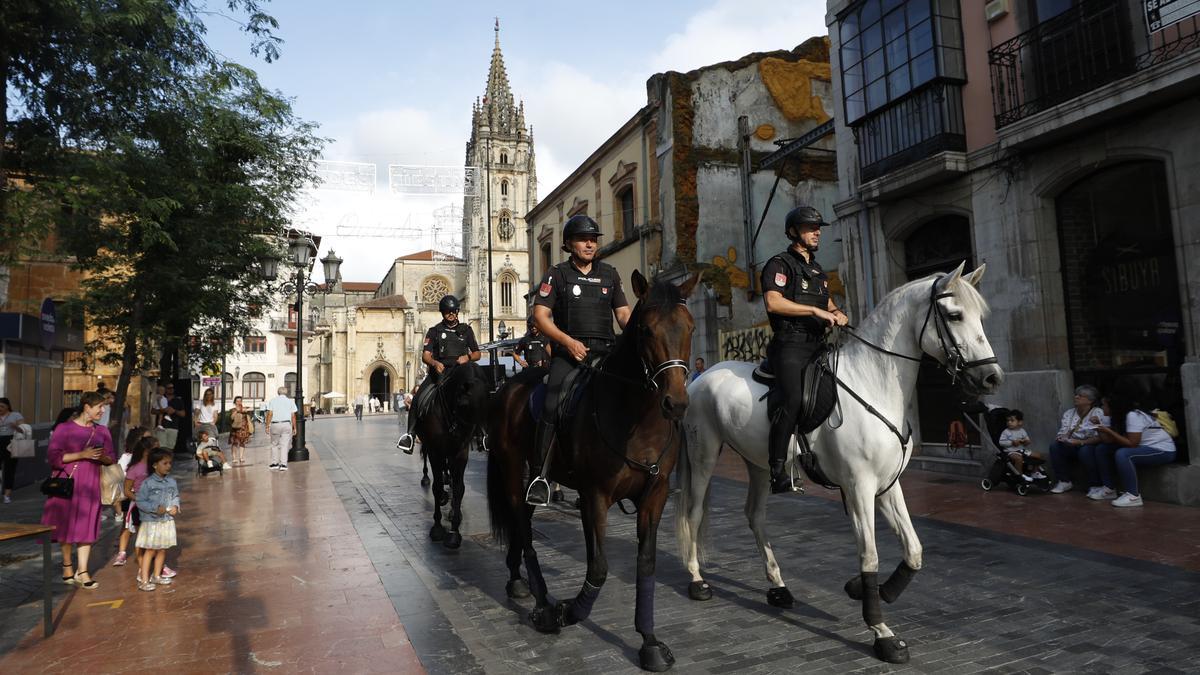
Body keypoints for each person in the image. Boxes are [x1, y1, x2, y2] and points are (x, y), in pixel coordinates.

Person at [525, 215, 632, 506]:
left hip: (605, 353)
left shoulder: (610, 273)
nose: (590, 243)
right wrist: (568, 342)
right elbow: (541, 316)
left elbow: (623, 315)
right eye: (584, 239)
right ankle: (539, 475)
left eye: (594, 239)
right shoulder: (556, 274)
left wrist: (640, 331)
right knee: (551, 402)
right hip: (570, 355)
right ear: (570, 244)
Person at [760, 205, 848, 494]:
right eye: (811, 228)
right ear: (794, 232)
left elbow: (829, 304)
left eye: (818, 228)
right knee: (794, 397)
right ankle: (777, 469)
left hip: (818, 345)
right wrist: (813, 310)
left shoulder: (818, 271)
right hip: (790, 344)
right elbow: (773, 302)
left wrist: (839, 314)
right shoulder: (779, 264)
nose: (817, 232)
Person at [40, 391, 116, 590]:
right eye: (99, 406)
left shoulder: (102, 432)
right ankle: (67, 565)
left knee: (87, 524)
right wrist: (82, 454)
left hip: (90, 484)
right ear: (86, 407)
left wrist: (99, 457)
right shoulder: (64, 429)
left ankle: (82, 571)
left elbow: (111, 459)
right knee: (64, 525)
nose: (103, 410)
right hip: (67, 482)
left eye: (104, 406)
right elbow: (54, 457)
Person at [396, 295, 482, 454]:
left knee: (478, 393)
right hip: (440, 372)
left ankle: (483, 433)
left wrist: (468, 357)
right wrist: (435, 363)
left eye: (453, 311)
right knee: (420, 396)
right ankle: (410, 434)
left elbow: (477, 353)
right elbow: (426, 355)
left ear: (457, 311)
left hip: (460, 372)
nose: (450, 314)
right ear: (442, 313)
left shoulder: (466, 330)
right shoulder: (435, 331)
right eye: (447, 312)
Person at [1092, 390, 1177, 508]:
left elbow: (1132, 444)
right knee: (1102, 449)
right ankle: (1108, 489)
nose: (1102, 407)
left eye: (1104, 405)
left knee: (1123, 454)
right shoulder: (1115, 417)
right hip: (1144, 447)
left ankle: (1133, 495)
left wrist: (1109, 431)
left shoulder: (1133, 415)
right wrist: (1098, 427)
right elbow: (1108, 441)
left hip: (1162, 450)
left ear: (1114, 406)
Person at [135, 448, 180, 591]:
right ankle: (144, 580)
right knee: (150, 550)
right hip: (151, 521)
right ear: (155, 465)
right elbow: (140, 501)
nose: (168, 466)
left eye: (170, 463)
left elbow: (175, 496)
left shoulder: (171, 482)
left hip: (166, 520)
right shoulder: (148, 483)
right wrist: (155, 508)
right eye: (165, 463)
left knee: (162, 549)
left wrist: (175, 506)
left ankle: (157, 575)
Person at [1048, 385, 1106, 494]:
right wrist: (1064, 437)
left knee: (1086, 451)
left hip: (1089, 444)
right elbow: (1062, 432)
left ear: (1090, 400)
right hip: (1071, 444)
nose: (1076, 397)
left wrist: (1080, 442)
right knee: (1055, 446)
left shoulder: (1098, 413)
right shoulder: (1069, 413)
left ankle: (1095, 484)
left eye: (1080, 396)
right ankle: (1064, 481)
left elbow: (1100, 437)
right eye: (1076, 395)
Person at [114, 435, 158, 570]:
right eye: (156, 449)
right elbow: (127, 490)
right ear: (146, 451)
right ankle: (142, 568)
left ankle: (157, 564)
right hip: (138, 505)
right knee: (139, 533)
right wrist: (139, 500)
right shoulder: (134, 467)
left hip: (154, 505)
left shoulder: (156, 466)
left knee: (155, 534)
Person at [998, 409, 1044, 480]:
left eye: (1012, 420)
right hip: (1010, 451)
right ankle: (1020, 474)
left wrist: (1026, 442)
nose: (1009, 422)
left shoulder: (1022, 431)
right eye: (1008, 420)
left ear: (1020, 422)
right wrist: (1012, 443)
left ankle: (1034, 472)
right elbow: (1001, 442)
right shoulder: (1006, 432)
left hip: (1022, 450)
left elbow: (1027, 440)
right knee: (1018, 458)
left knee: (1038, 455)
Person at [264, 386, 298, 471]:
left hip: (275, 424)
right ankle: (283, 464)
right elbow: (293, 416)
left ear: (278, 392)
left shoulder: (272, 401)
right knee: (284, 445)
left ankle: (275, 463)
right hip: (286, 424)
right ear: (286, 393)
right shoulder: (290, 402)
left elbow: (270, 414)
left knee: (274, 444)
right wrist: (295, 427)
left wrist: (267, 425)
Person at [0, 397, 26, 504]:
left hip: (12, 441)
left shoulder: (16, 415)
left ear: (8, 406)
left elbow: (24, 430)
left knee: (9, 469)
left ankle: (7, 495)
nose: (0, 408)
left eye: (2, 406)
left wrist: (15, 426)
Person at [229, 396, 252, 465]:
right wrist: (237, 411)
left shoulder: (244, 408)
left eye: (240, 401)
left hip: (244, 428)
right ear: (235, 402)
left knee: (242, 442)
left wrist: (245, 410)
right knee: (235, 443)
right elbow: (232, 417)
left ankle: (241, 457)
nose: (239, 402)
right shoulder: (233, 409)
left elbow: (252, 408)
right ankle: (234, 458)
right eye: (237, 401)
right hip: (235, 429)